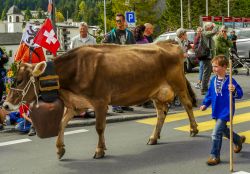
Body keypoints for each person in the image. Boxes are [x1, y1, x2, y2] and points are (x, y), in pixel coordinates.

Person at [200, 55, 245, 166]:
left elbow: (240, 94)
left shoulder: (230, 80)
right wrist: (205, 104)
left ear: (224, 67)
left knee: (215, 134)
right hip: (216, 110)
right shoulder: (213, 80)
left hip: (226, 110)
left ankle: (214, 156)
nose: (214, 69)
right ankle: (238, 140)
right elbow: (210, 94)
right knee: (224, 130)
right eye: (213, 66)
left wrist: (234, 90)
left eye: (216, 66)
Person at [103, 13, 136, 113]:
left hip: (127, 64)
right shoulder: (110, 34)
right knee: (115, 86)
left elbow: (134, 47)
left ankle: (125, 104)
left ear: (124, 21)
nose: (119, 23)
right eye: (117, 21)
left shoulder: (129, 34)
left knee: (127, 85)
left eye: (120, 21)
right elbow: (103, 46)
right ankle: (116, 105)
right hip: (115, 64)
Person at [200, 22, 219, 95]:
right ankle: (203, 89)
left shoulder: (206, 33)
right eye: (210, 27)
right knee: (206, 72)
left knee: (207, 72)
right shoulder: (205, 33)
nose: (211, 28)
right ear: (207, 27)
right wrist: (215, 25)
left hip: (208, 55)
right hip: (207, 55)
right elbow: (214, 31)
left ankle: (205, 87)